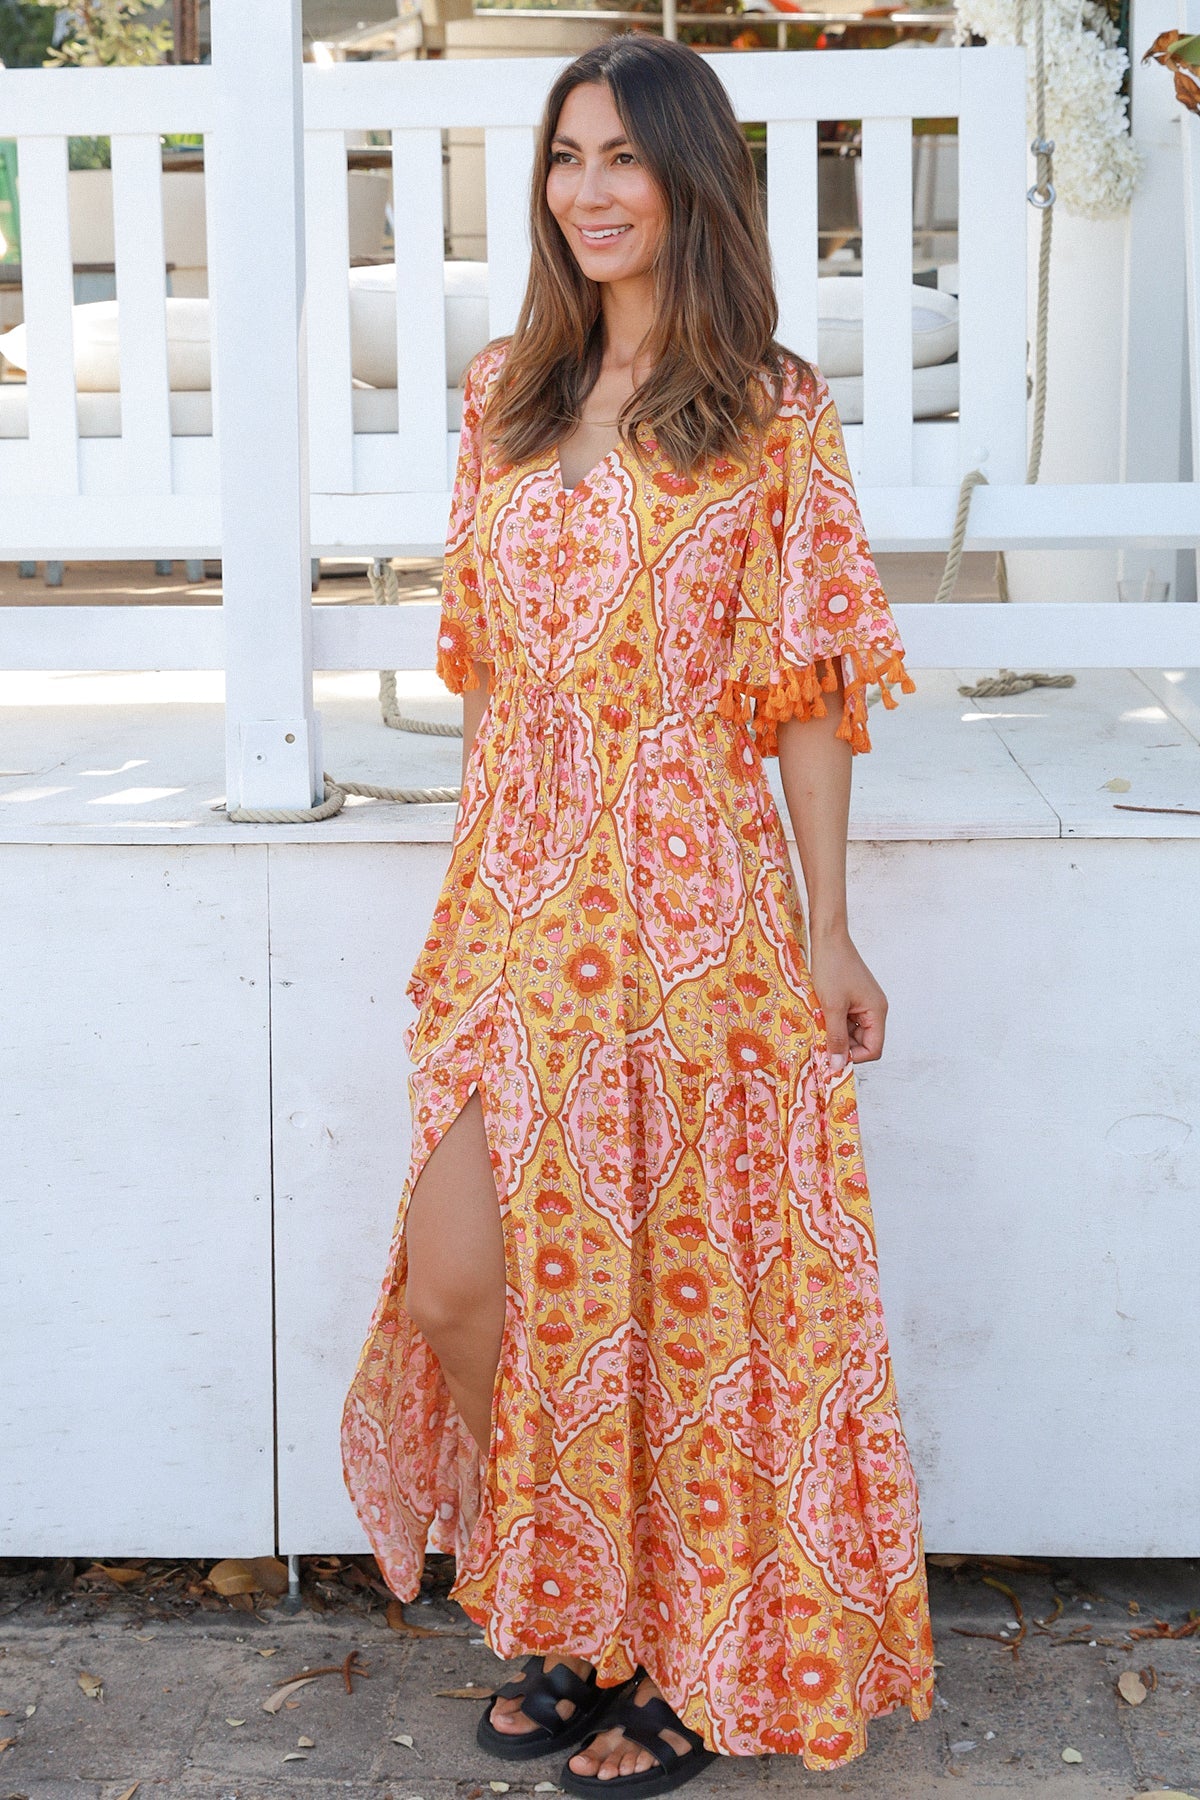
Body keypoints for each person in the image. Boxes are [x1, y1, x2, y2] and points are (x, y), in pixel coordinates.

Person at [341, 32, 934, 1795]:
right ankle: (572, 1598)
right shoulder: (497, 394)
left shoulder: (770, 408)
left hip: (701, 911)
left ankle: (675, 1654)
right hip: (522, 903)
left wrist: (829, 926)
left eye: (623, 158)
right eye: (564, 157)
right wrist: (475, 907)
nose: (588, 190)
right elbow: (489, 683)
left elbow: (811, 691)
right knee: (470, 1283)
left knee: (695, 1302)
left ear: (691, 180)